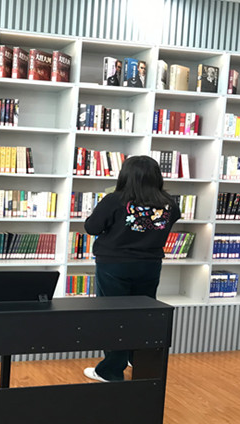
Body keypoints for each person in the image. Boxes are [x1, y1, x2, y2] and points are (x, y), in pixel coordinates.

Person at [82, 155, 180, 382]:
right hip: (150, 265)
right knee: (143, 315)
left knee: (114, 316)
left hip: (114, 265)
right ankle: (140, 361)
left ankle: (111, 370)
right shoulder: (169, 204)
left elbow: (91, 227)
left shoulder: (114, 200)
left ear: (125, 175)